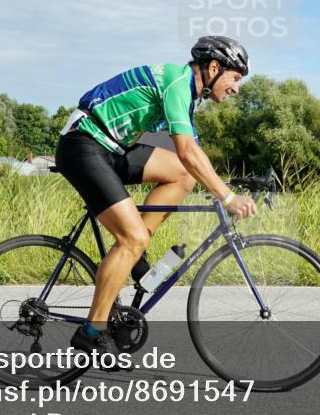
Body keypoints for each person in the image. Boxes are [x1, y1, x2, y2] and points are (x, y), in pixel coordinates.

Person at [54, 36, 257, 357]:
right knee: (131, 238)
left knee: (183, 174)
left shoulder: (185, 91)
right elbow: (187, 151)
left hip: (112, 148)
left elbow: (193, 159)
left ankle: (137, 259)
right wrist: (228, 198)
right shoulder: (177, 83)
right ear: (213, 68)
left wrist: (228, 183)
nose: (236, 88)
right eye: (235, 78)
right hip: (83, 146)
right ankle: (92, 331)